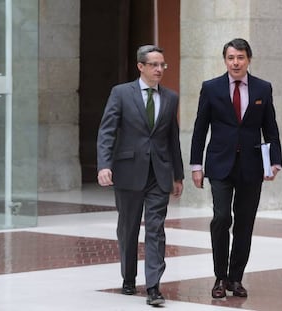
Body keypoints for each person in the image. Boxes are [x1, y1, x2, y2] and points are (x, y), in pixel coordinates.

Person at [190, 38, 282, 299]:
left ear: (248, 59)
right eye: (231, 58)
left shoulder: (263, 88)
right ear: (225, 60)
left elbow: (271, 128)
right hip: (219, 165)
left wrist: (275, 160)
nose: (235, 62)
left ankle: (235, 279)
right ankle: (220, 276)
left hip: (251, 167)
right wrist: (196, 165)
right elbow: (200, 129)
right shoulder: (211, 88)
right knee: (221, 219)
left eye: (240, 57)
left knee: (244, 224)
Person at [97, 45, 184, 306]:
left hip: (159, 173)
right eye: (154, 65)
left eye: (162, 65)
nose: (159, 69)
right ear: (141, 66)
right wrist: (104, 165)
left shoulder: (170, 98)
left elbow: (172, 138)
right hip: (127, 172)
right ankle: (128, 277)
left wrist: (177, 175)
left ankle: (154, 286)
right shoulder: (121, 93)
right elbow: (107, 131)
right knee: (128, 227)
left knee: (156, 229)